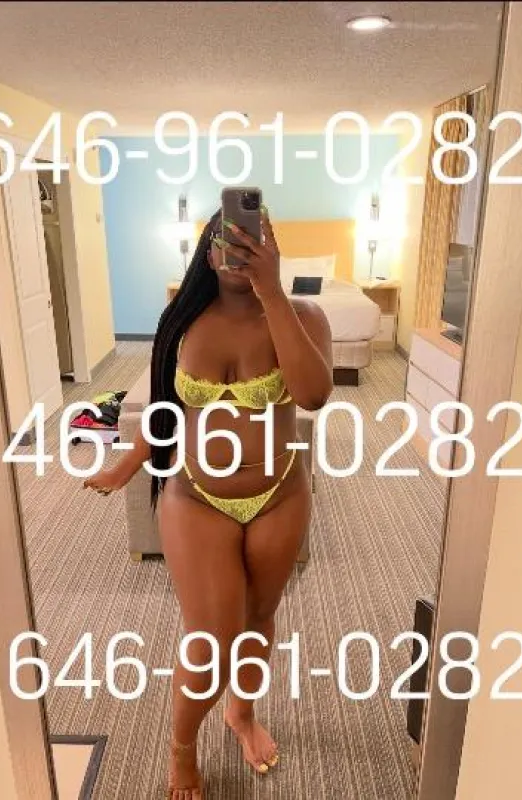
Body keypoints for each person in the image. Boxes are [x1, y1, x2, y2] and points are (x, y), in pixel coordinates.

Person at [85, 205, 333, 799]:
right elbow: (167, 407)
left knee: (259, 618)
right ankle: (182, 746)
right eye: (226, 237)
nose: (238, 249)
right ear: (206, 246)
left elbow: (313, 395)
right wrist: (128, 463)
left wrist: (271, 292)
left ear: (272, 245)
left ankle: (241, 713)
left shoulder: (302, 317)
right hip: (198, 496)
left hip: (279, 494)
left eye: (254, 238)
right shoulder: (184, 319)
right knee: (211, 638)